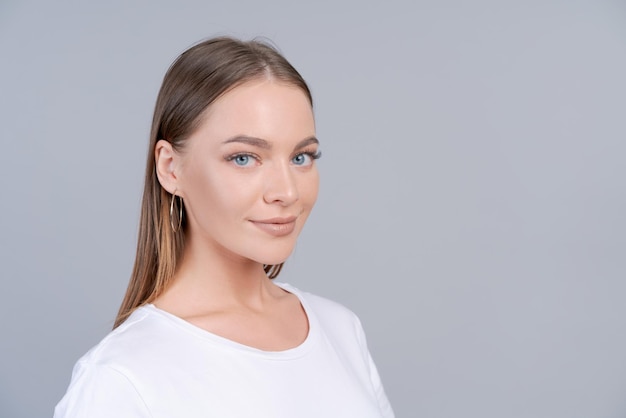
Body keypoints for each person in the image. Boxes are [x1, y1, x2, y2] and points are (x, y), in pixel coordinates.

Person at [54, 36, 394, 418]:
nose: (286, 191)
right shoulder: (123, 378)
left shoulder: (340, 329)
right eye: (244, 158)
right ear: (170, 168)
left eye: (301, 156)